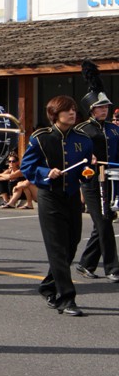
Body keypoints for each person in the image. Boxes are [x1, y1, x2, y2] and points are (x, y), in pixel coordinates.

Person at [21, 94, 94, 316]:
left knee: (70, 246)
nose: (72, 113)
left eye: (73, 109)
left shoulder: (84, 139)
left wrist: (87, 173)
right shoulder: (41, 138)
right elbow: (27, 166)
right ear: (55, 114)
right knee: (57, 249)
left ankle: (47, 286)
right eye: (67, 110)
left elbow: (85, 170)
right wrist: (45, 172)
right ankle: (66, 298)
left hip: (71, 197)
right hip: (49, 197)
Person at [73, 61, 119, 283]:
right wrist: (86, 159)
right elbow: (72, 154)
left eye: (106, 107)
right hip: (91, 181)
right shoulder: (81, 131)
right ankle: (113, 268)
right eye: (100, 107)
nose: (104, 109)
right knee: (102, 221)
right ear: (91, 109)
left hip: (112, 180)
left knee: (105, 220)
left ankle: (86, 263)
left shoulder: (114, 129)